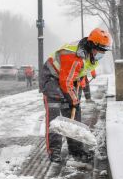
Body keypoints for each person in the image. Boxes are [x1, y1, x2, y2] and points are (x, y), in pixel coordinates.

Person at [39, 28, 112, 163]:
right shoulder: (74, 56)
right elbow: (65, 81)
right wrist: (73, 99)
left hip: (68, 78)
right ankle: (54, 152)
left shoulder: (90, 55)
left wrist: (77, 93)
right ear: (92, 46)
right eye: (101, 50)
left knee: (74, 113)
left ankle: (76, 150)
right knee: (54, 116)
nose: (102, 53)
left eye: (104, 51)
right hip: (51, 78)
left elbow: (80, 73)